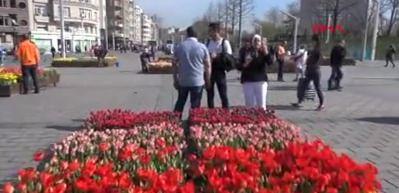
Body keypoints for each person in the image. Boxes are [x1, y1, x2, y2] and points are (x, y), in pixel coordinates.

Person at [173, 26, 211, 113]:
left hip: (183, 80)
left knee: (180, 102)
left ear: (187, 34)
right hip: (197, 81)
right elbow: (208, 65)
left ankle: (174, 123)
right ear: (196, 35)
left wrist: (175, 79)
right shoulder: (202, 47)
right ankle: (193, 124)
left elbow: (174, 64)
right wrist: (208, 79)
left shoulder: (180, 47)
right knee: (195, 105)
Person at [238, 35, 272, 110]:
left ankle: (262, 120)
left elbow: (270, 62)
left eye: (258, 40)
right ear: (252, 42)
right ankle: (251, 120)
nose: (257, 42)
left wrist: (266, 52)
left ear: (261, 42)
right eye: (255, 40)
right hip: (248, 80)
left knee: (261, 105)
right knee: (249, 105)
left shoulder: (263, 51)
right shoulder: (245, 51)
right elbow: (238, 65)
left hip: (261, 81)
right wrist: (245, 64)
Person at [292, 34, 325, 111]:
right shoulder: (313, 49)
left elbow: (320, 58)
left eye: (312, 41)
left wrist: (314, 63)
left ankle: (321, 104)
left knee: (317, 87)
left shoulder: (317, 49)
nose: (311, 42)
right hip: (310, 70)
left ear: (315, 41)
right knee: (303, 85)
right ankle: (299, 101)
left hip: (315, 70)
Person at [206, 22, 232, 109]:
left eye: (210, 31)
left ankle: (225, 114)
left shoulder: (224, 42)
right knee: (210, 95)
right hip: (209, 71)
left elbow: (229, 57)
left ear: (216, 31)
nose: (209, 33)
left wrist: (218, 55)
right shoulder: (208, 42)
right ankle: (211, 114)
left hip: (220, 71)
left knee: (223, 95)